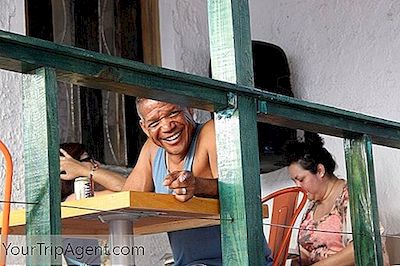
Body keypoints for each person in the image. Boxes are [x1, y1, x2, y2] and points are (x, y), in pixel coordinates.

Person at [60, 98, 274, 266]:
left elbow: (240, 189)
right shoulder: (153, 150)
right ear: (144, 128)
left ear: (190, 110)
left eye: (173, 113)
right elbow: (129, 196)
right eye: (154, 122)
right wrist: (85, 180)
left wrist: (198, 185)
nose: (167, 126)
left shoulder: (210, 132)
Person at [284, 133, 389, 266]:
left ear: (320, 171)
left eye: (300, 179)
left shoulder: (352, 198)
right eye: (294, 181)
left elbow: (366, 246)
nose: (297, 186)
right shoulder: (312, 206)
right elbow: (307, 251)